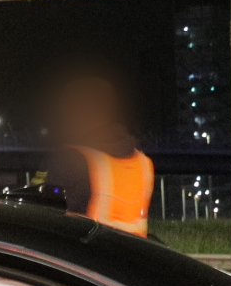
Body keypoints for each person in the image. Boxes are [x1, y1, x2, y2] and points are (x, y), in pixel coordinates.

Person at [45, 73, 153, 236]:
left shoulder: (71, 160)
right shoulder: (143, 163)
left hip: (79, 259)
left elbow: (42, 218)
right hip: (130, 259)